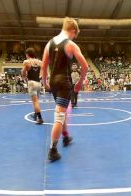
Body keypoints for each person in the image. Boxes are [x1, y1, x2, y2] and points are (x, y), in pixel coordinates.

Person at [41, 17, 88, 162]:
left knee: (62, 109)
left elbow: (44, 66)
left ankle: (66, 136)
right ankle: (53, 150)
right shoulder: (71, 45)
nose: (74, 37)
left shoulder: (49, 43)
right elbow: (85, 66)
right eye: (75, 34)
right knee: (60, 115)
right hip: (64, 82)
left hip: (54, 81)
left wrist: (45, 82)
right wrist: (80, 82)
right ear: (73, 30)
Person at [22, 48, 44, 124]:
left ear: (27, 54)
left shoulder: (27, 62)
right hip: (38, 83)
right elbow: (43, 71)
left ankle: (40, 118)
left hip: (31, 82)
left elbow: (23, 72)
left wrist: (24, 78)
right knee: (37, 101)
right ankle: (35, 115)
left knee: (35, 102)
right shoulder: (40, 62)